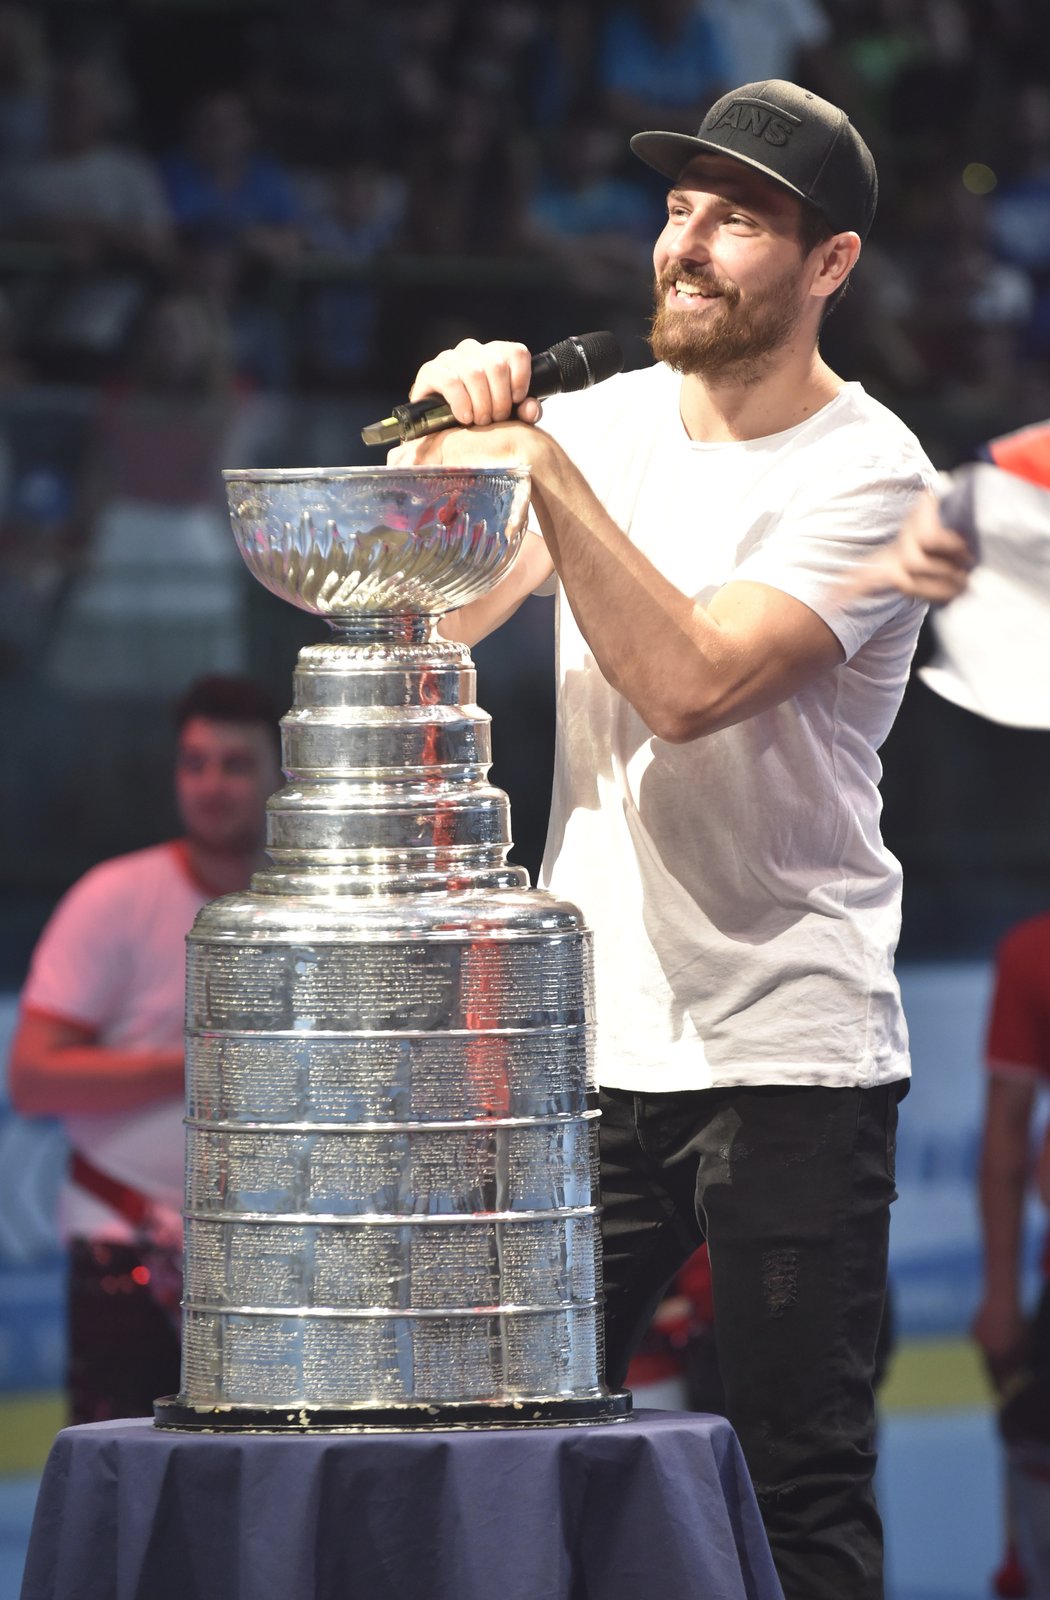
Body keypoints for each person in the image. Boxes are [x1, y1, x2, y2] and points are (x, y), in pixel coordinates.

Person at [387, 78, 935, 1600]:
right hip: (589, 1042)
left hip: (787, 1055)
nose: (686, 246)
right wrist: (441, 443)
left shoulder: (872, 474)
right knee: (497, 1430)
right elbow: (420, 616)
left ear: (827, 265)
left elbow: (692, 684)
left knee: (792, 1472)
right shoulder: (603, 418)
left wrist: (541, 467)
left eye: (739, 220)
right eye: (680, 209)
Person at [7, 674, 283, 1424]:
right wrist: (200, 1063)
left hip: (280, 1259)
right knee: (122, 1497)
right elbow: (33, 1078)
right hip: (122, 1247)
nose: (212, 785)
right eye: (194, 763)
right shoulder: (114, 898)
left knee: (263, 1498)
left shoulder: (313, 910)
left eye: (235, 764)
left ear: (284, 774)